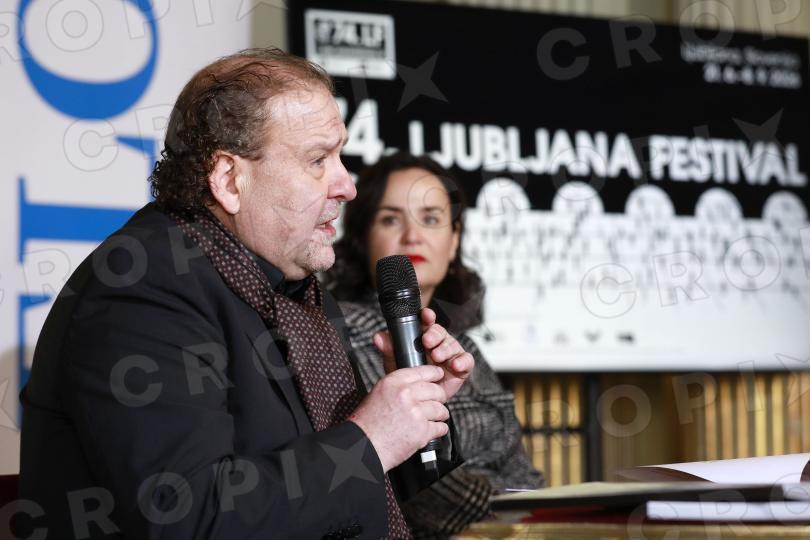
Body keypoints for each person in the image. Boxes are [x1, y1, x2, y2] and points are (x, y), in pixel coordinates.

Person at [18, 49, 474, 539]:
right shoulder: (141, 291)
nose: (347, 186)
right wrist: (371, 438)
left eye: (340, 156)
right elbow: (187, 518)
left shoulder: (295, 289)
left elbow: (344, 497)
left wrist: (415, 413)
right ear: (229, 180)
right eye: (318, 160)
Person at [325, 152, 544, 538]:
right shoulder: (339, 333)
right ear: (362, 238)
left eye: (430, 219)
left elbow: (523, 472)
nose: (413, 236)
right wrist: (518, 516)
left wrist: (540, 512)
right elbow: (417, 489)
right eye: (391, 219)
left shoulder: (466, 347)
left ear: (454, 240)